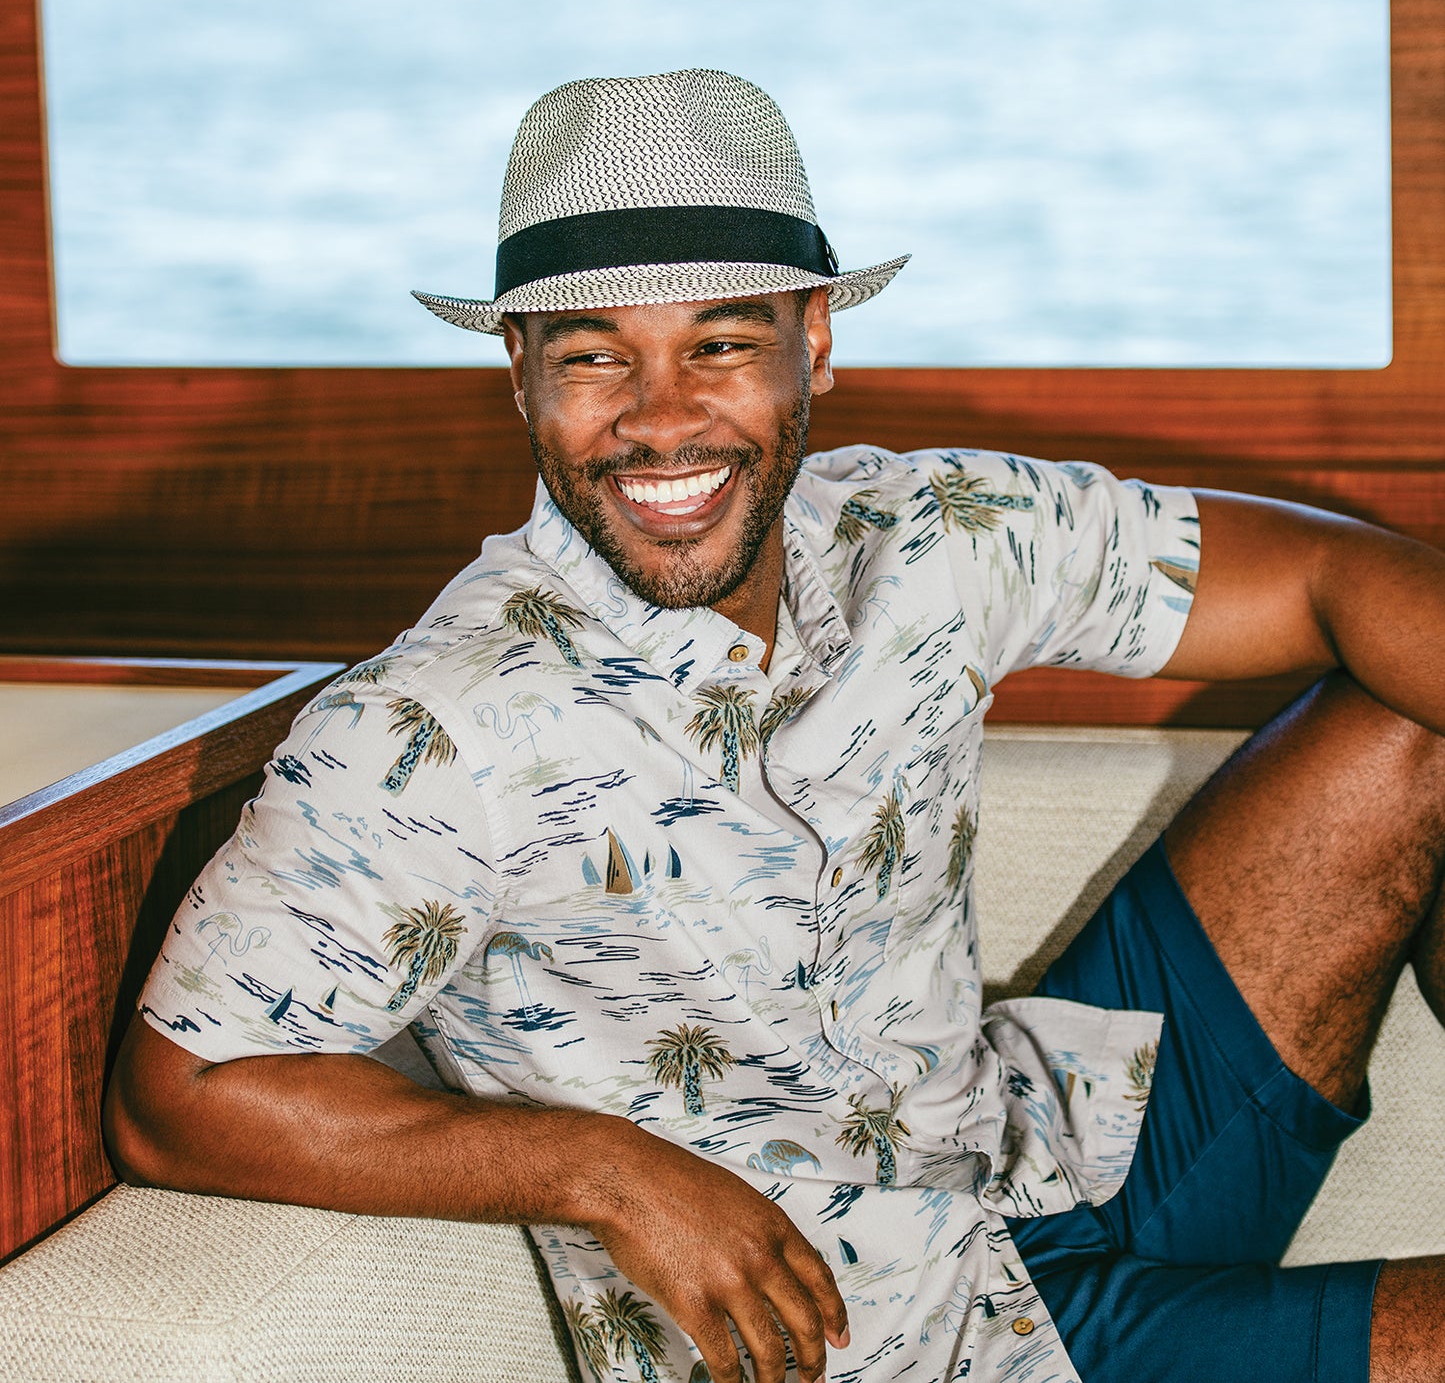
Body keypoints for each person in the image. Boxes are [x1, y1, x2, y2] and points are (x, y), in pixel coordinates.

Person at [105, 69, 1445, 1383]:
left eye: (720, 343)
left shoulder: (917, 533)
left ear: (812, 341)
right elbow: (177, 1096)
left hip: (1049, 1137)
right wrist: (600, 1167)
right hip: (875, 1343)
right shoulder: (434, 726)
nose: (659, 416)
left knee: (1410, 727)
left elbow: (1338, 580)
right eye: (593, 357)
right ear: (518, 372)